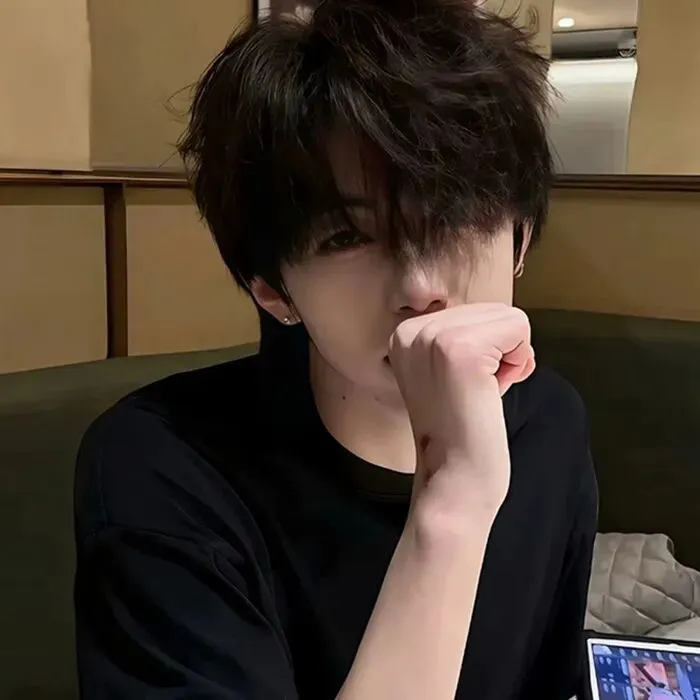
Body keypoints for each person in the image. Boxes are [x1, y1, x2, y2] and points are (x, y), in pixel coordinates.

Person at [73, 1, 598, 698]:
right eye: (347, 237)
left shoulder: (551, 424)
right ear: (273, 291)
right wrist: (452, 506)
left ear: (521, 240)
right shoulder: (162, 467)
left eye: (455, 215)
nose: (421, 288)